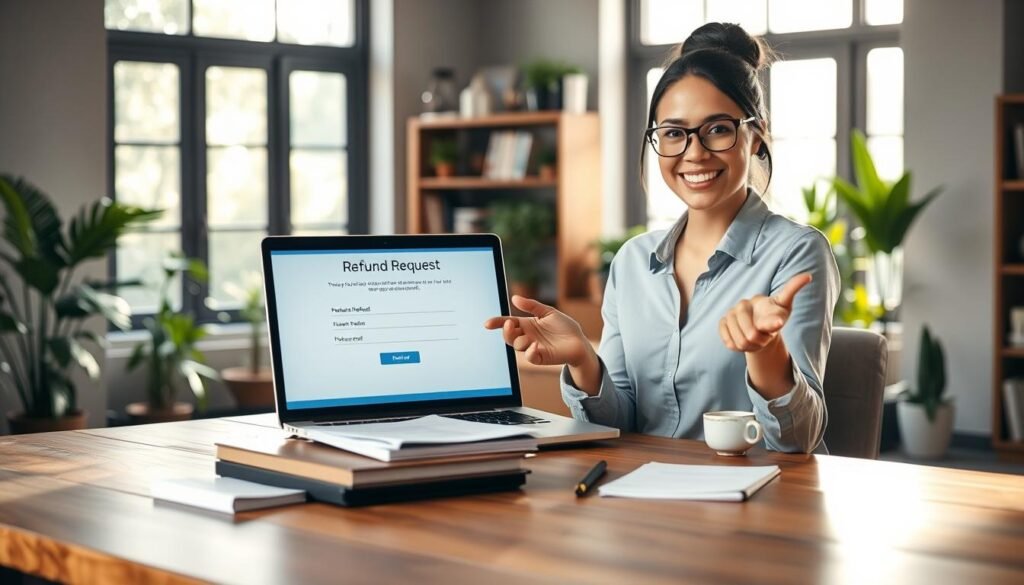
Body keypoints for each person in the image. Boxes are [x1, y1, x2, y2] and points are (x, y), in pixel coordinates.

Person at [484, 22, 839, 454]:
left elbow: (799, 441)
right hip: (644, 497)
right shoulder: (632, 262)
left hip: (761, 498)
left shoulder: (795, 253)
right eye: (673, 133)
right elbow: (621, 425)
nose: (694, 152)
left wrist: (765, 351)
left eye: (718, 128)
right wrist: (582, 358)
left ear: (756, 134)